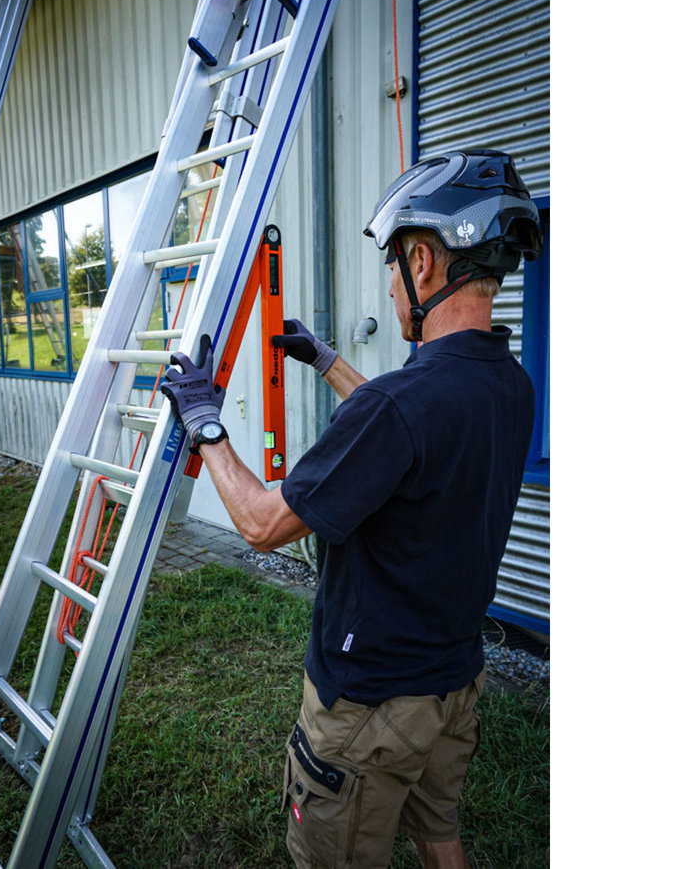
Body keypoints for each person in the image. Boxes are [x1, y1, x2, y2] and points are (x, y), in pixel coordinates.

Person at [161, 149, 543, 869]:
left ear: (424, 263)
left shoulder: (400, 407)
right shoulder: (509, 387)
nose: (394, 289)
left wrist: (206, 424)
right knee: (440, 837)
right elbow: (406, 436)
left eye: (394, 265)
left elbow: (262, 524)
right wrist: (329, 361)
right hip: (453, 685)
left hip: (370, 708)